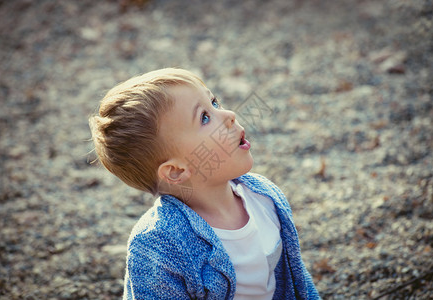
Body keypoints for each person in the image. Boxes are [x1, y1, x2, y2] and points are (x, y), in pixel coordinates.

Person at [89, 68, 320, 299]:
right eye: (205, 117)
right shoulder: (158, 244)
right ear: (176, 171)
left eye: (215, 103)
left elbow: (296, 279)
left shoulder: (265, 197)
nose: (230, 115)